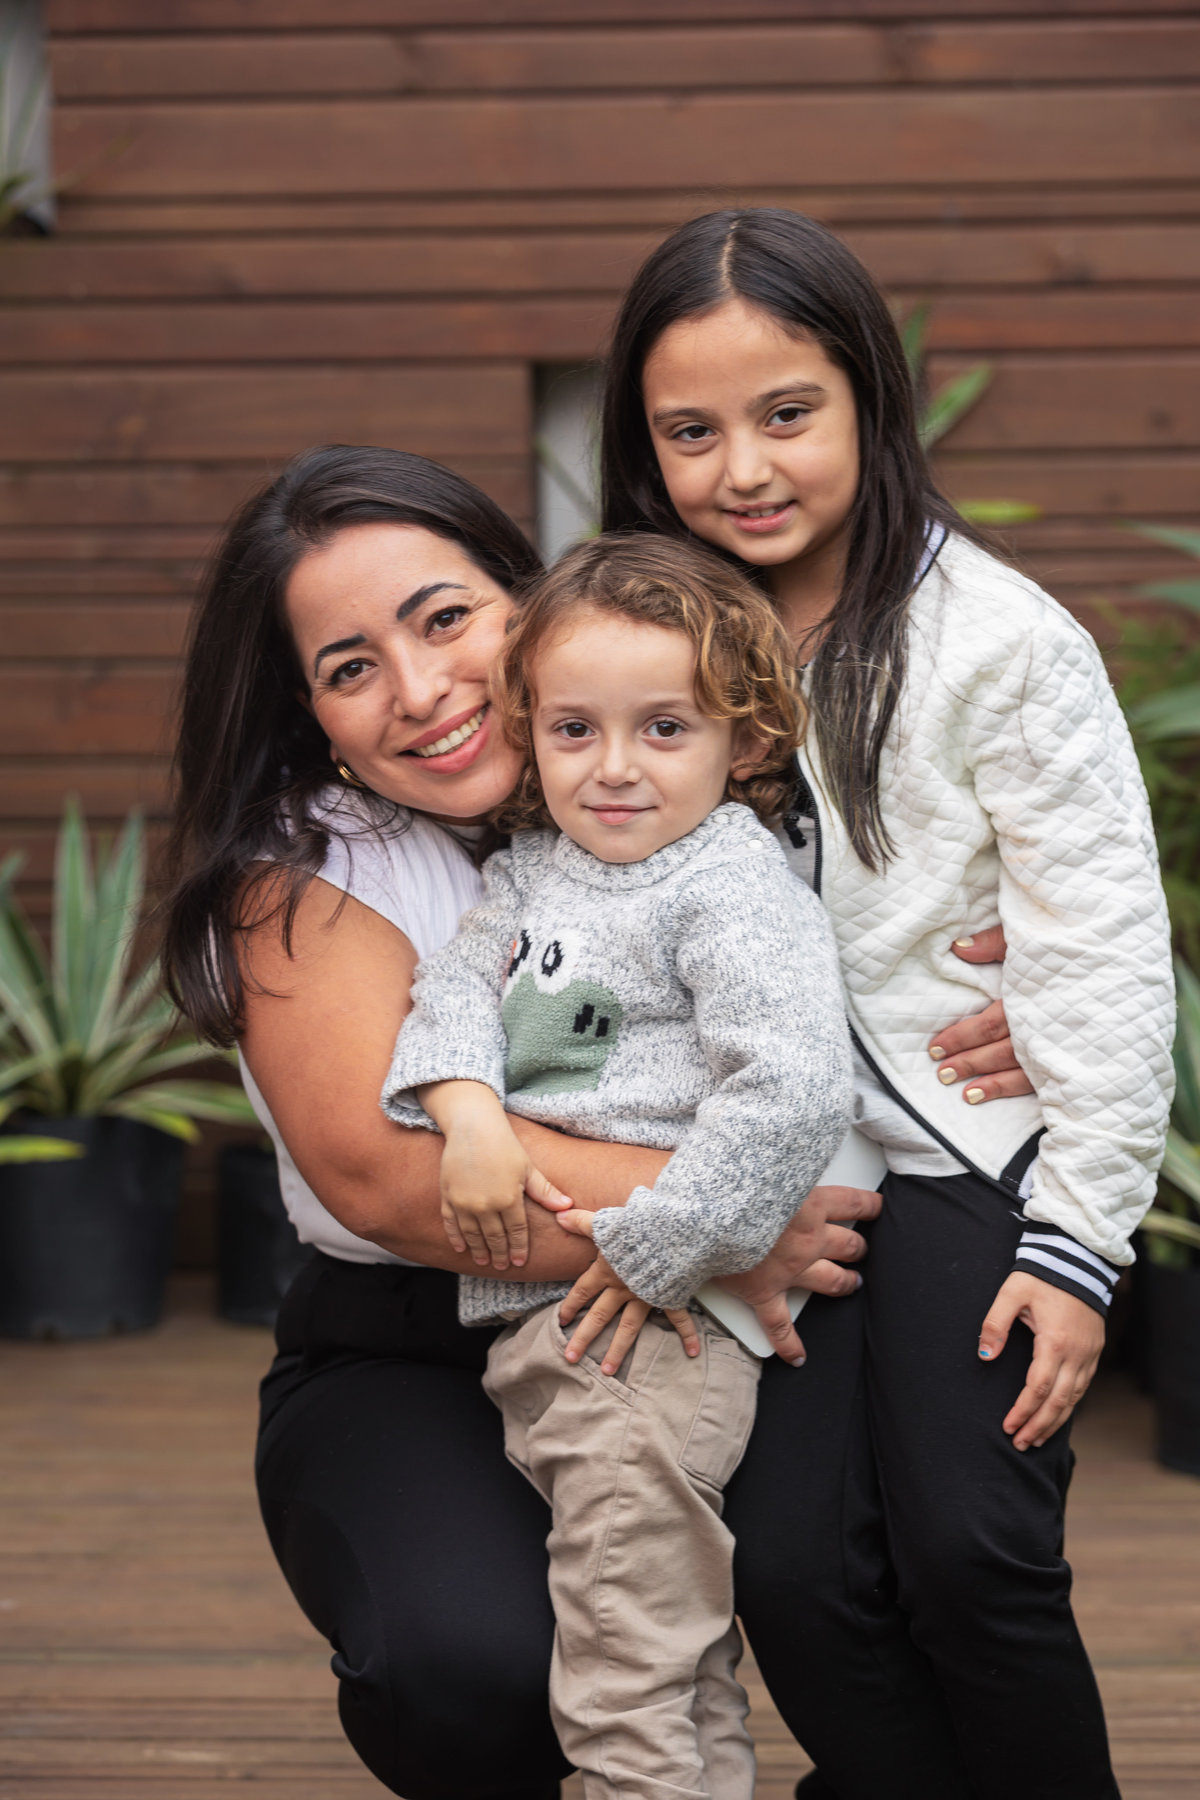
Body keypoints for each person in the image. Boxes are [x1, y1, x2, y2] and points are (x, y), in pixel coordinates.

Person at [160, 443, 1034, 1800]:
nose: (419, 689)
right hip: (425, 1336)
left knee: (855, 1568)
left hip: (734, 1286)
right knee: (492, 1673)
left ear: (533, 605)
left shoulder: (672, 750)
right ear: (314, 714)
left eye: (445, 618)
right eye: (351, 668)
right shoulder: (312, 868)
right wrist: (709, 1225)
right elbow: (385, 1176)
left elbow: (896, 916)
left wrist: (1014, 990)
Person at [598, 207, 1176, 1800]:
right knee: (793, 1574)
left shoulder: (1000, 642)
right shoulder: (646, 641)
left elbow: (1104, 949)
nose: (744, 467)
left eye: (788, 413)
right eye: (691, 431)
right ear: (642, 444)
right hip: (763, 1171)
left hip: (968, 1150)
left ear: (870, 395)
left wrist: (1080, 1241)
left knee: (975, 1553)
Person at [382, 533, 854, 1798]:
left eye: (665, 728)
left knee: (620, 1667)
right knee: (664, 1656)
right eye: (574, 730)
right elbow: (454, 989)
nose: (615, 767)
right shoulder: (536, 871)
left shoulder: (729, 888)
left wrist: (659, 1246)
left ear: (745, 740)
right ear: (528, 732)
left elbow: (794, 1086)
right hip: (558, 1327)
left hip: (647, 1336)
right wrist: (469, 1116)